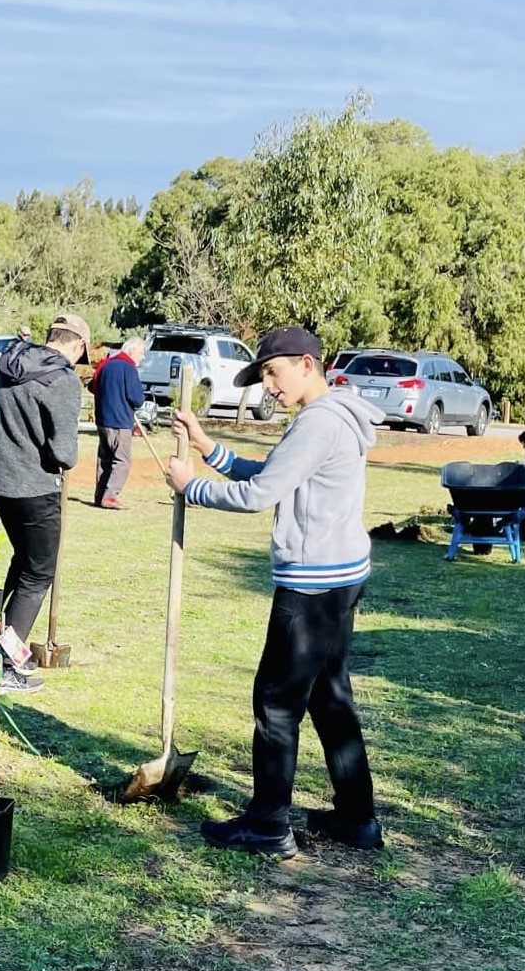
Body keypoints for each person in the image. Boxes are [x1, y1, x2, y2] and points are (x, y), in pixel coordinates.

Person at [164, 326, 385, 857]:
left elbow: (261, 492)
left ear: (308, 364)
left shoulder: (318, 423)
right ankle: (357, 819)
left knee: (277, 702)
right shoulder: (335, 416)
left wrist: (188, 486)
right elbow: (277, 471)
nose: (268, 385)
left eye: (273, 371)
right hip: (341, 575)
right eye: (263, 375)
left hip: (311, 587)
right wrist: (207, 446)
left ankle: (266, 826)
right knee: (331, 699)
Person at [0, 313, 90, 693]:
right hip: (34, 490)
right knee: (38, 573)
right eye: (82, 354)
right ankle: (5, 666)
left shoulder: (8, 366)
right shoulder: (61, 379)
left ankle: (2, 647)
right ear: (76, 345)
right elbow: (65, 452)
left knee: (24, 561)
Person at [93, 336, 146, 508]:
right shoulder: (128, 367)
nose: (142, 357)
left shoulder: (106, 364)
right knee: (121, 461)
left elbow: (92, 386)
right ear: (131, 350)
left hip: (102, 420)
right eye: (141, 353)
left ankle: (100, 495)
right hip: (120, 421)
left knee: (105, 458)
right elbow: (137, 398)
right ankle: (110, 496)